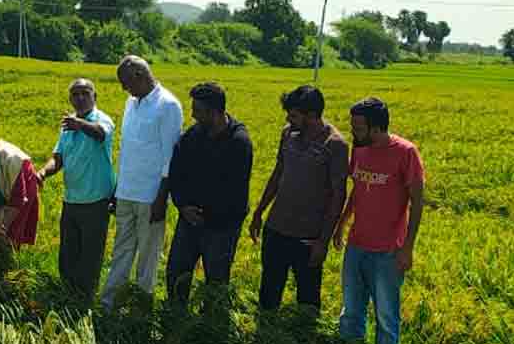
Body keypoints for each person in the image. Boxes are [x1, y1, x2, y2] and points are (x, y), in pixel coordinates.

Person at [333, 97, 425, 344]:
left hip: (388, 252)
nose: (353, 132)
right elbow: (358, 189)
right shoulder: (359, 149)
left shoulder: (406, 153)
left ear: (376, 128)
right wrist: (341, 224)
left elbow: (417, 202)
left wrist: (407, 248)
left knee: (386, 316)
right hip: (357, 245)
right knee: (351, 310)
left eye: (359, 128)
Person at [249, 85, 350, 313]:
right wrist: (259, 212)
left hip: (308, 237)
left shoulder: (335, 145)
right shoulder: (288, 134)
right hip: (276, 228)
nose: (288, 119)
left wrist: (323, 241)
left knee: (307, 299)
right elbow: (278, 173)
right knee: (268, 292)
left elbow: (338, 196)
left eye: (294, 115)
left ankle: (304, 342)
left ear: (312, 116)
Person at [100, 55, 183, 310]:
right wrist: (117, 189)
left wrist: (161, 198)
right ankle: (109, 303)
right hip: (126, 192)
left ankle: (141, 308)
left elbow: (171, 158)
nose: (124, 89)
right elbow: (127, 150)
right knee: (121, 251)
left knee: (147, 257)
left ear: (140, 75)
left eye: (126, 83)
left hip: (151, 197)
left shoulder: (168, 105)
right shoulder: (131, 102)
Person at [164, 82, 253, 307]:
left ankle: (212, 327)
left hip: (222, 226)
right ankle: (176, 315)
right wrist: (183, 206)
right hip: (189, 219)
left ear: (214, 113)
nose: (193, 115)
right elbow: (177, 172)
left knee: (215, 281)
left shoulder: (238, 142)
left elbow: (234, 191)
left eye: (198, 110)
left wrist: (206, 214)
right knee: (176, 272)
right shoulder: (193, 135)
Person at [36, 78, 116, 300]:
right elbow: (58, 159)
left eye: (85, 93)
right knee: (68, 252)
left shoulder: (102, 120)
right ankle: (67, 294)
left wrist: (79, 124)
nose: (80, 98)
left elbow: (100, 133)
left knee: (90, 255)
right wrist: (42, 172)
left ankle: (85, 299)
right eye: (75, 94)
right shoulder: (68, 127)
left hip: (96, 200)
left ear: (94, 97)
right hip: (71, 200)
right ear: (70, 99)